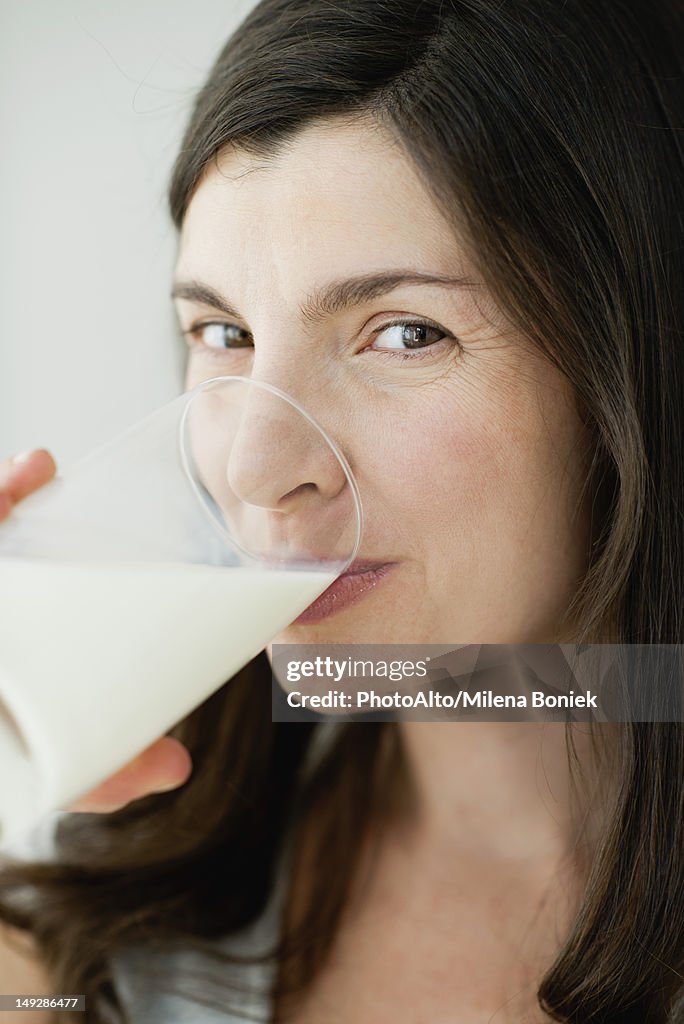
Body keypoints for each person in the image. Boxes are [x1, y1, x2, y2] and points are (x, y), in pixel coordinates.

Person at [0, 0, 682, 1021]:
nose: (255, 468)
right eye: (224, 332)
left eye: (406, 333)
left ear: (637, 370)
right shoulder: (91, 909)